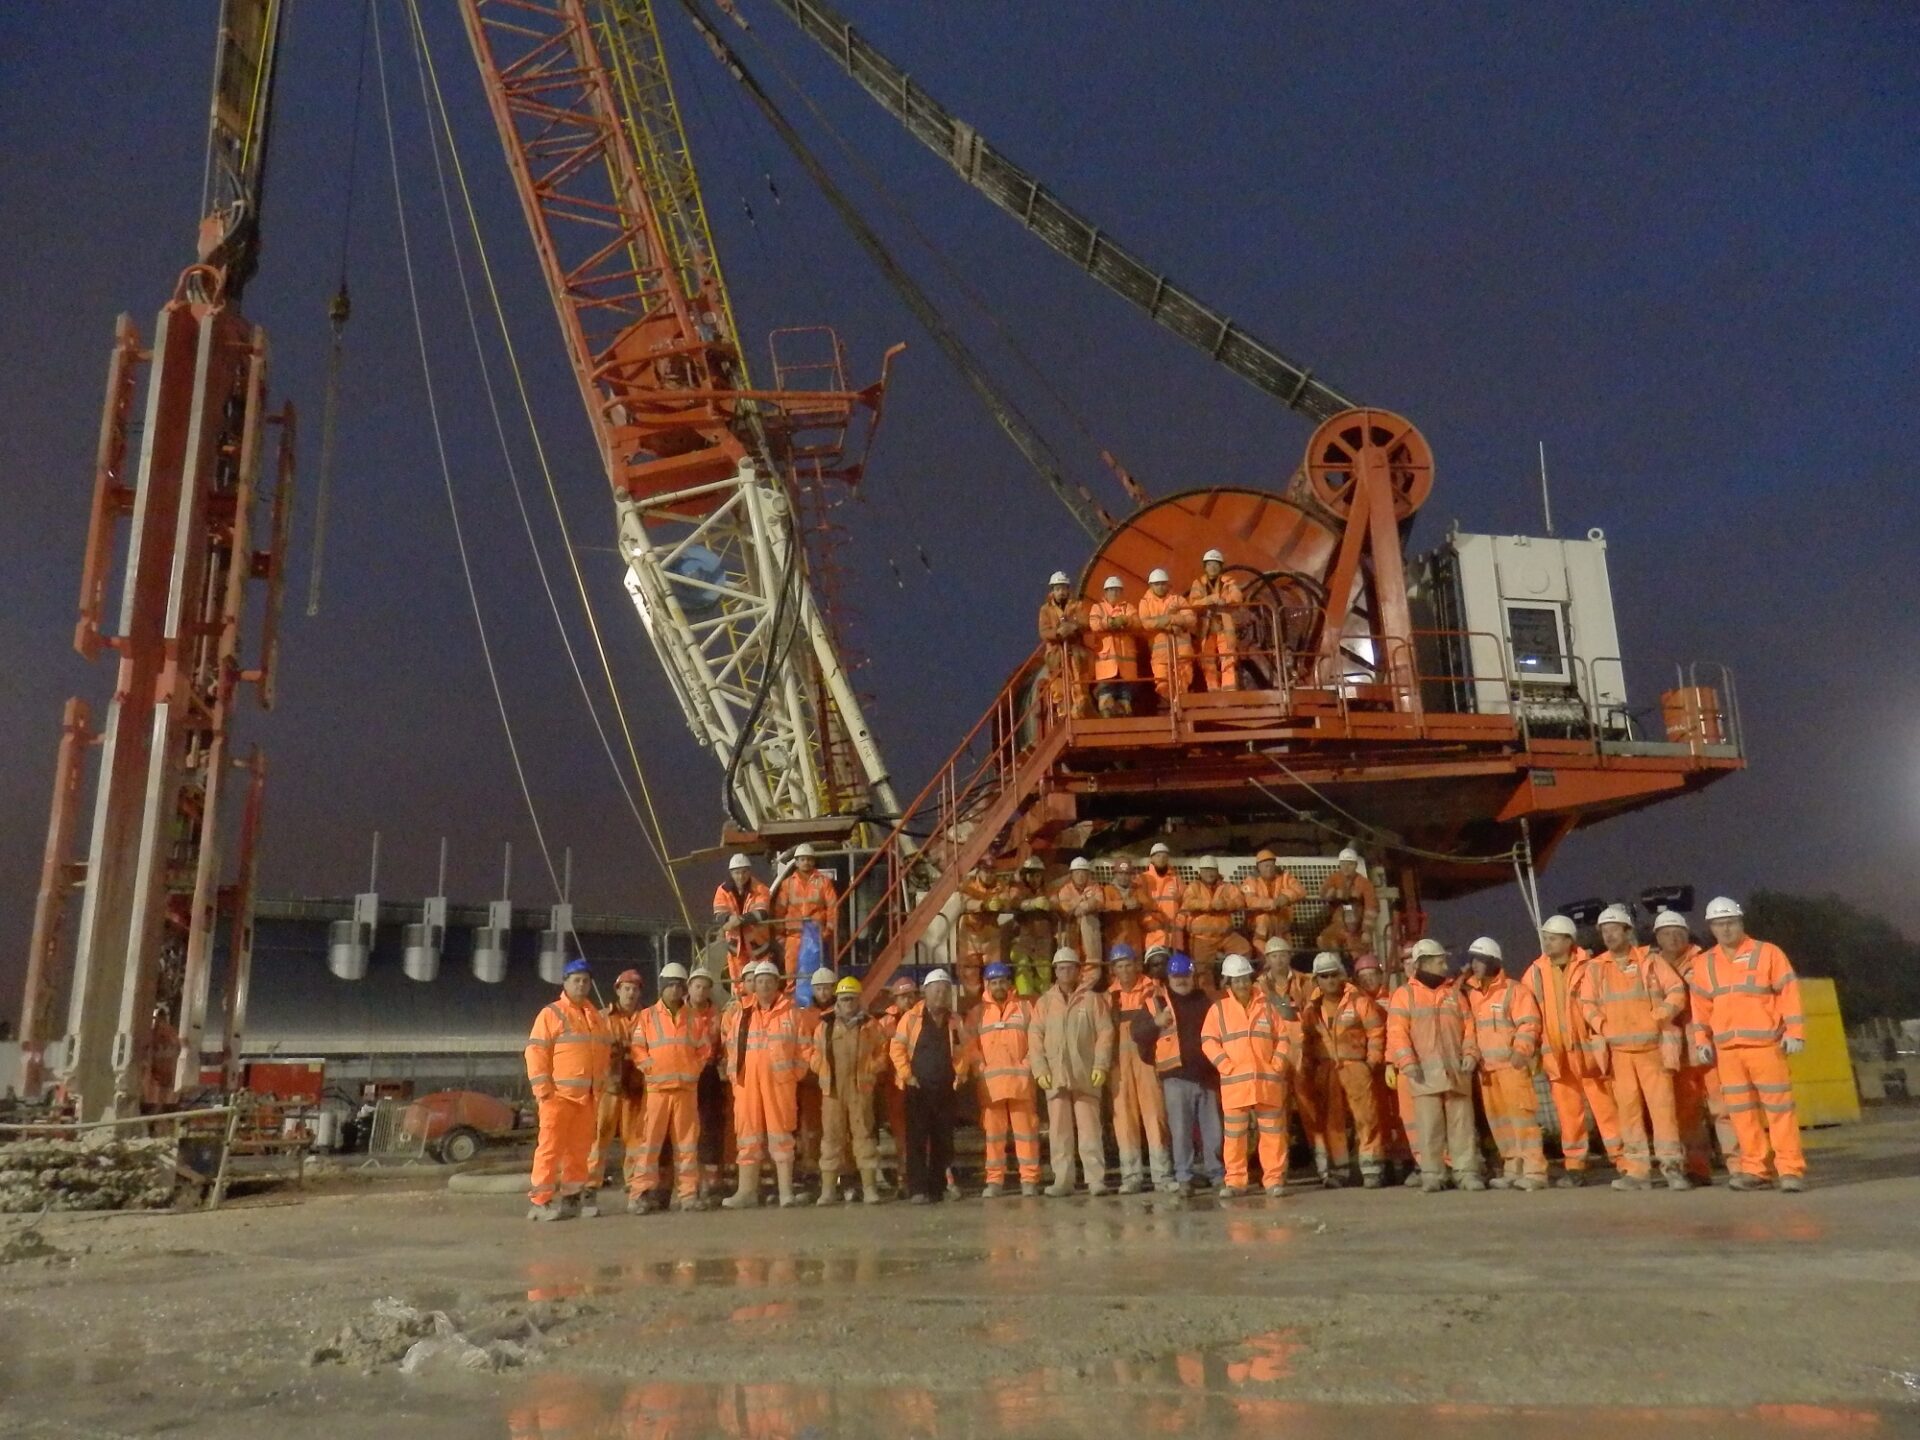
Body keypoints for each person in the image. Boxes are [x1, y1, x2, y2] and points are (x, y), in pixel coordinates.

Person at [1689, 896, 1808, 1192]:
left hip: (1765, 1046)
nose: (1725, 929)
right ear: (1711, 928)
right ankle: (1756, 1170)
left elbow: (1788, 993)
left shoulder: (1768, 953)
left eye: (1730, 922)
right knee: (1741, 1114)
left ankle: (1790, 1170)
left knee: (1779, 1110)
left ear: (1741, 923)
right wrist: (1701, 1040)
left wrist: (1795, 1031)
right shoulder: (1704, 963)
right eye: (1719, 924)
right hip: (1728, 1052)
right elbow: (1700, 1007)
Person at [1578, 904, 1690, 1192]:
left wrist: (1660, 1016)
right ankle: (1637, 1171)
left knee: (1662, 1112)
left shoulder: (1650, 961)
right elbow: (1586, 1004)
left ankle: (1672, 1168)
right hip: (1619, 1054)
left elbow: (1677, 991)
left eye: (1614, 929)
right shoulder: (1596, 968)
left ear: (1628, 931)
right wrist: (1603, 1027)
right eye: (1604, 931)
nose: (1609, 936)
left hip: (1652, 1050)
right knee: (1628, 1114)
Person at [1522, 914, 1623, 1186]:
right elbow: (1528, 1012)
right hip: (1557, 1055)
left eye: (1553, 939)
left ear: (1569, 941)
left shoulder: (1590, 966)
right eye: (1546, 938)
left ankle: (1623, 1160)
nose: (1547, 943)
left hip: (1589, 1054)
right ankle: (1575, 1165)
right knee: (1569, 1115)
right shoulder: (1535, 972)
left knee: (1607, 1109)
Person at [1387, 938, 1484, 1194]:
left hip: (1456, 1071)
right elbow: (1397, 1033)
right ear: (1423, 964)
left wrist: (1471, 1054)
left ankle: (1465, 1173)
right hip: (1424, 1075)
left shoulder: (1453, 994)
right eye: (1439, 960)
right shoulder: (1405, 995)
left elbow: (1469, 1028)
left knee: (1461, 1126)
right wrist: (1407, 1062)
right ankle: (1432, 1174)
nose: (1444, 964)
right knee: (1429, 1129)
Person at [524, 957, 615, 1221]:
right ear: (566, 983)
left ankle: (571, 1200)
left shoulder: (595, 1017)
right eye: (577, 980)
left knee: (579, 1151)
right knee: (550, 1149)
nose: (582, 985)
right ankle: (540, 1203)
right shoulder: (551, 1014)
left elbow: (602, 1052)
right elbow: (536, 1051)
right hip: (558, 1097)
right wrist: (543, 1089)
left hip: (587, 1097)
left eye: (586, 981)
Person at [1653, 910, 1738, 1184]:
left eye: (1678, 932)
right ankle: (1698, 1167)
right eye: (1666, 933)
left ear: (1688, 934)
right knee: (1687, 1116)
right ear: (1657, 937)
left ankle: (1740, 1165)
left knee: (1723, 1108)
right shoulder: (1651, 967)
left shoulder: (1705, 960)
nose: (1673, 938)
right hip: (1677, 1053)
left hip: (1709, 1047)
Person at [720, 960, 811, 1209]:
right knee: (747, 1137)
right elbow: (731, 1047)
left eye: (769, 982)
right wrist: (734, 1078)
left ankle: (785, 1192)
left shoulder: (792, 1013)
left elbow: (805, 1049)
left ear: (777, 985)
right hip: (747, 1085)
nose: (764, 986)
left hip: (779, 1085)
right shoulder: (742, 1014)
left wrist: (794, 1075)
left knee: (781, 1137)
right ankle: (747, 1191)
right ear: (754, 986)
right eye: (760, 982)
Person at [1201, 953, 1291, 1197]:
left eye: (1245, 979)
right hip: (1235, 1085)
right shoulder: (1219, 1010)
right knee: (1235, 1136)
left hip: (1266, 1082)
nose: (1242, 984)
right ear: (1228, 983)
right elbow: (1208, 1041)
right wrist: (1225, 1065)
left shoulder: (1267, 1007)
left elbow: (1283, 1038)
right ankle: (1235, 1181)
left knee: (1272, 1134)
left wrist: (1277, 1065)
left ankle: (1273, 1179)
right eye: (1236, 980)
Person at [1029, 947, 1116, 1197]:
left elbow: (1105, 1034)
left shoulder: (1092, 1000)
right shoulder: (1045, 1003)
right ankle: (1063, 1180)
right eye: (1061, 968)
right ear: (1055, 971)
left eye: (1070, 967)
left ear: (1078, 970)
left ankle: (1095, 1179)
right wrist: (1040, 1069)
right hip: (1055, 1076)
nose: (1065, 971)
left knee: (1090, 1129)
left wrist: (1100, 1065)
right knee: (1059, 1132)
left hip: (1085, 1074)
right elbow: (1035, 1037)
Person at [1461, 938, 1546, 1192]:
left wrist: (1521, 1052)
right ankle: (1513, 1168)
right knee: (1501, 1123)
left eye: (1479, 960)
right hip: (1488, 1070)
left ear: (1491, 962)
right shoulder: (1473, 994)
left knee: (1522, 1120)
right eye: (1473, 960)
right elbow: (1470, 1030)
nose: (1474, 966)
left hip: (1512, 1068)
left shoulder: (1514, 990)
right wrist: (1472, 1055)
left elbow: (1529, 1023)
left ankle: (1535, 1171)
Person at [1298, 951, 1388, 1188]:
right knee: (1333, 1122)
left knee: (1366, 1117)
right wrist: (1307, 1070)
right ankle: (1340, 1171)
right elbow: (1307, 1042)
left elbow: (1376, 1032)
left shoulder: (1359, 1001)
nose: (1329, 980)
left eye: (1333, 975)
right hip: (1327, 1070)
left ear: (1342, 975)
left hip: (1355, 1067)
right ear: (1317, 980)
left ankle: (1371, 1168)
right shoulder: (1312, 1009)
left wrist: (1371, 1062)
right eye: (1324, 976)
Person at [628, 963, 711, 1213]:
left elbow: (704, 1049)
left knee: (687, 1146)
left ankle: (688, 1196)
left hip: (685, 1090)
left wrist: (693, 1069)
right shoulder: (647, 1016)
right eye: (670, 985)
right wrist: (650, 1067)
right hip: (657, 1090)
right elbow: (637, 1049)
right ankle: (639, 1194)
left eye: (678, 985)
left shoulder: (694, 1019)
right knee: (650, 1145)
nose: (675, 990)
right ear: (662, 987)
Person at [888, 970, 974, 1204]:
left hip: (945, 1089)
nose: (940, 994)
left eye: (945, 990)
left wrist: (960, 1074)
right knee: (916, 1140)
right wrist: (908, 1076)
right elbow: (896, 1049)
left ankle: (937, 1188)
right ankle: (917, 1189)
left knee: (943, 1140)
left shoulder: (954, 1020)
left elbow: (964, 1051)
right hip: (917, 1089)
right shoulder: (912, 1018)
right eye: (936, 989)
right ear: (925, 992)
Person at [1107, 944, 1175, 1193]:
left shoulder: (1153, 990)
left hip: (1148, 1060)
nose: (1125, 971)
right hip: (1120, 1066)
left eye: (1128, 965)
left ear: (1136, 965)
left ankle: (1162, 1175)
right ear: (1113, 969)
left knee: (1154, 1116)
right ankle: (1131, 1175)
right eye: (1119, 966)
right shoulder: (1109, 996)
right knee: (1124, 1120)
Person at [814, 976, 888, 1205]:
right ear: (837, 999)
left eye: (852, 999)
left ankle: (869, 1189)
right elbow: (812, 1053)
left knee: (864, 1136)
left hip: (861, 1090)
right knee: (831, 1139)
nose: (848, 1003)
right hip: (833, 1090)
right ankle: (828, 1191)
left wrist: (871, 1069)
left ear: (859, 1000)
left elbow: (883, 1052)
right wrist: (821, 1068)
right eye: (844, 999)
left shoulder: (870, 1025)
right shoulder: (825, 1025)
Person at [1156, 953, 1224, 1194]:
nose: (1181, 980)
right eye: (1176, 975)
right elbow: (1138, 1033)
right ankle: (1183, 1176)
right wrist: (1155, 1022)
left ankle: (1216, 1175)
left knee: (1213, 1131)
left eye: (1185, 975)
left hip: (1206, 1076)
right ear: (1169, 977)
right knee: (1181, 1132)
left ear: (1192, 976)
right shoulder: (1159, 1002)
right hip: (1176, 1079)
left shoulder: (1205, 1000)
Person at [1353, 955, 1413, 1178]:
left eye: (1372, 976)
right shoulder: (1356, 1002)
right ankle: (1385, 1159)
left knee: (1401, 1111)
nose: (1369, 981)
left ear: (1380, 976)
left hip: (1394, 1061)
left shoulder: (1394, 997)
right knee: (1376, 1115)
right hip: (1372, 1067)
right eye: (1364, 977)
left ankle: (1407, 1158)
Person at [588, 968, 648, 1190]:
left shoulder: (648, 1018)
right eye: (626, 989)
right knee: (600, 1135)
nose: (630, 993)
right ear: (618, 990)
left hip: (635, 1086)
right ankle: (591, 1181)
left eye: (634, 989)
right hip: (610, 1086)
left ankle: (633, 1183)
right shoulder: (602, 1018)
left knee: (634, 1138)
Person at [687, 966, 728, 1201]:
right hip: (685, 1074)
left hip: (709, 1073)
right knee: (687, 1128)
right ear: (689, 988)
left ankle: (711, 1181)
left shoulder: (717, 1016)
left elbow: (723, 1045)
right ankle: (690, 1181)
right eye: (697, 986)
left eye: (705, 987)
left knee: (710, 1126)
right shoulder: (680, 1014)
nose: (701, 991)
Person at [876, 971, 920, 1187]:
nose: (908, 1000)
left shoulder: (924, 1018)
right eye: (903, 996)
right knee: (901, 1134)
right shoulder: (885, 1023)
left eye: (911, 995)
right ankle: (904, 1176)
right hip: (895, 1086)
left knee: (923, 1131)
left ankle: (925, 1175)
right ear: (895, 999)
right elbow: (880, 1053)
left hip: (920, 1082)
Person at [794, 966, 837, 1186]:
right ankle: (811, 1168)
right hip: (812, 1079)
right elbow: (803, 1046)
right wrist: (817, 1066)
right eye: (819, 988)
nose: (823, 992)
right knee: (809, 1125)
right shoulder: (805, 1016)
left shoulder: (842, 1012)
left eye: (827, 988)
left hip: (838, 1079)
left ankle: (840, 1172)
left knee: (837, 1126)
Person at [772, 844, 838, 980]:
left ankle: (817, 999)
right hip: (793, 936)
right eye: (802, 859)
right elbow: (779, 910)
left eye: (809, 859)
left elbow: (833, 906)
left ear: (814, 861)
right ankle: (792, 999)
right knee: (792, 974)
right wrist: (780, 935)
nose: (806, 862)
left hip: (816, 935)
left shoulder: (824, 882)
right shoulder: (787, 884)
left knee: (817, 975)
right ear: (796, 862)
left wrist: (828, 931)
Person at [1180, 857, 1246, 987]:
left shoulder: (1227, 887)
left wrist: (1226, 904)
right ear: (1200, 872)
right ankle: (1208, 997)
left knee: (1244, 950)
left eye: (1212, 870)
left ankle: (1231, 981)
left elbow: (1240, 901)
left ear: (1217, 871)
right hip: (1202, 938)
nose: (1209, 873)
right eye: (1205, 870)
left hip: (1225, 935)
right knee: (1202, 970)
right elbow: (1188, 902)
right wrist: (1209, 905)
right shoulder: (1194, 887)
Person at [1136, 567, 1197, 706]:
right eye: (1157, 584)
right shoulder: (1145, 602)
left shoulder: (1178, 600)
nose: (1161, 587)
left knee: (1183, 680)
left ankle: (1180, 706)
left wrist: (1168, 619)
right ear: (1151, 585)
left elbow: (1191, 619)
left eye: (1163, 583)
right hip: (1160, 653)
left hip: (1182, 651)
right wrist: (1169, 622)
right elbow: (1146, 623)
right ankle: (1172, 705)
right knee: (1162, 682)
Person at [1037, 571, 1093, 719]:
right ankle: (1063, 713)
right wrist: (1058, 633)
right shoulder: (1046, 610)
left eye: (1063, 588)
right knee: (1058, 685)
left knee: (1079, 681)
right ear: (1052, 591)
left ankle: (1079, 711)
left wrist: (1073, 627)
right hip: (1056, 654)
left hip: (1075, 652)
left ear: (1068, 589)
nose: (1061, 592)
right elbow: (1044, 631)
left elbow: (1085, 623)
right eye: (1057, 589)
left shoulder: (1077, 606)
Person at [1188, 547, 1244, 690]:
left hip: (1224, 628)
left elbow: (1238, 597)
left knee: (1228, 659)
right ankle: (1213, 689)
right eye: (1209, 564)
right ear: (1205, 567)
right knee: (1207, 660)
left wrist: (1224, 600)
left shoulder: (1228, 582)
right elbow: (1193, 603)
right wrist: (1209, 599)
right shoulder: (1198, 584)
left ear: (1220, 567)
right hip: (1206, 629)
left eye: (1215, 564)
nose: (1212, 567)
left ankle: (1229, 689)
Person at [712, 854, 774, 983]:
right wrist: (730, 919)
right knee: (738, 982)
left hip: (759, 946)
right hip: (736, 948)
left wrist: (737, 920)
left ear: (749, 871)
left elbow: (762, 912)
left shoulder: (761, 889)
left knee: (763, 980)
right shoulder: (722, 890)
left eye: (744, 872)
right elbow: (719, 914)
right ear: (731, 873)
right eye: (737, 873)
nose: (741, 876)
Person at [1088, 575, 1141, 716]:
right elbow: (1094, 624)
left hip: (1126, 665)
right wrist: (1110, 623)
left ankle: (1125, 715)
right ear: (1105, 593)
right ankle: (1107, 717)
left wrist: (1125, 621)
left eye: (1117, 590)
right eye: (1111, 590)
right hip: (1106, 666)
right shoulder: (1097, 608)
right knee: (1106, 696)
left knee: (1125, 697)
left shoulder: (1128, 608)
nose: (1114, 593)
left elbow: (1137, 623)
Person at [956, 859, 1005, 999]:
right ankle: (974, 1013)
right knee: (970, 977)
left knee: (994, 975)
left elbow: (1007, 898)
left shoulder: (1000, 885)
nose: (989, 875)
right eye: (986, 871)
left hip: (991, 937)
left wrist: (1001, 902)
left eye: (992, 871)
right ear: (979, 870)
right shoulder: (968, 885)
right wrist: (983, 905)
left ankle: (993, 1010)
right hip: (970, 937)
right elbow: (965, 902)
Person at [1241, 850, 1306, 948]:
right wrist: (1271, 903)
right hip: (1260, 928)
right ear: (1258, 867)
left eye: (1271, 865)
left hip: (1282, 924)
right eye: (1266, 865)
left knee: (1286, 952)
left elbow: (1301, 891)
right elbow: (1250, 901)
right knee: (1262, 946)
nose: (1269, 868)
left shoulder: (1285, 877)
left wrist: (1286, 896)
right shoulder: (1251, 880)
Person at [1052, 857, 1108, 965]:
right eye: (1077, 873)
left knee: (1089, 919)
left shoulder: (1094, 887)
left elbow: (1100, 901)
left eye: (1083, 872)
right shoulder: (1065, 889)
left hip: (1089, 930)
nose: (1080, 876)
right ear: (1072, 874)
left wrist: (1087, 906)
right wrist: (1079, 903)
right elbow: (1065, 908)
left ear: (1088, 874)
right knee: (1070, 955)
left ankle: (1092, 964)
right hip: (1070, 928)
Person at [1137, 843, 1186, 955]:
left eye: (1164, 856)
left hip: (1175, 938)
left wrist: (1178, 922)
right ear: (1152, 858)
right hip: (1153, 937)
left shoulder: (1176, 880)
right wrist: (1151, 923)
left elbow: (1185, 904)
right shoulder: (1143, 879)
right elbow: (1141, 907)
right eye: (1158, 856)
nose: (1162, 859)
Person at [1321, 848, 1378, 934]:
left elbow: (1371, 907)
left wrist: (1367, 931)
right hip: (1338, 920)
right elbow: (1324, 892)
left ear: (1356, 865)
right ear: (1340, 864)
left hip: (1357, 925)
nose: (1346, 867)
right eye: (1343, 864)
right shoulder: (1334, 878)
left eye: (1350, 864)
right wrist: (1329, 894)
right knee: (1323, 939)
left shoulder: (1365, 884)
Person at [1102, 857, 1147, 956]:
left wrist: (1138, 904)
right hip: (1115, 936)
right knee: (1116, 966)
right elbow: (1104, 904)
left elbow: (1147, 903)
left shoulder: (1136, 889)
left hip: (1134, 938)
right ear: (1115, 874)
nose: (1124, 877)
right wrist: (1122, 905)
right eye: (1120, 873)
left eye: (1127, 874)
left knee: (1135, 967)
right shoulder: (1108, 889)